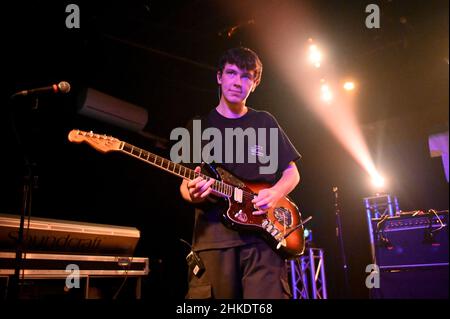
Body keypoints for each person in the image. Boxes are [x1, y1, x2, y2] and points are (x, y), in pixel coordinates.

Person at [179, 47, 301, 299]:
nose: (237, 81)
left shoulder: (264, 122)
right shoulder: (198, 126)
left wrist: (275, 192)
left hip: (263, 242)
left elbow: (292, 173)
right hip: (213, 242)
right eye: (231, 73)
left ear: (255, 83)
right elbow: (185, 183)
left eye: (246, 76)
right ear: (219, 77)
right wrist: (194, 193)